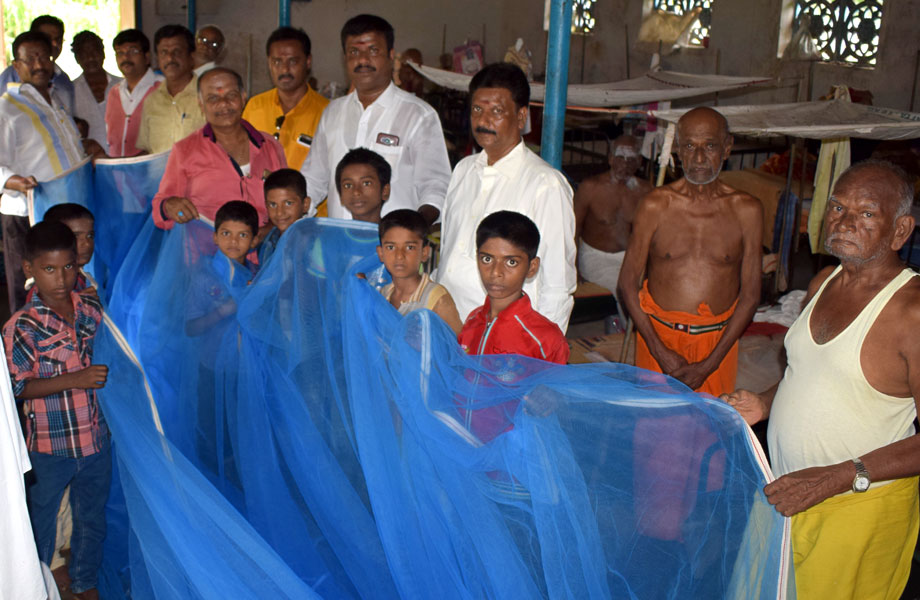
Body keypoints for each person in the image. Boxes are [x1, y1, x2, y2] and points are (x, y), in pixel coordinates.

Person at [725, 161, 920, 600]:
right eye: (837, 207)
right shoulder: (823, 282)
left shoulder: (912, 312)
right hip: (788, 489)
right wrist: (764, 403)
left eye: (866, 213)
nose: (844, 222)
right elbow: (808, 371)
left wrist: (838, 477)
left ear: (900, 230)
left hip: (857, 506)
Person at [617, 107, 762, 396]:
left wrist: (709, 365)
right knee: (653, 421)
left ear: (727, 148)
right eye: (690, 146)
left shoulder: (747, 210)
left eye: (710, 146)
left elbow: (750, 296)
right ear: (677, 149)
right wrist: (660, 351)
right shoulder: (655, 205)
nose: (698, 158)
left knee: (708, 422)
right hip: (658, 339)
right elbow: (627, 283)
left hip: (716, 345)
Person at [2, 221, 110, 600]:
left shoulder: (90, 309)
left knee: (91, 518)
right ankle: (39, 585)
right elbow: (18, 387)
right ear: (29, 268)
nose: (61, 279)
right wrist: (75, 379)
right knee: (40, 521)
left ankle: (84, 581)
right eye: (49, 269)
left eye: (68, 267)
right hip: (49, 448)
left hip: (95, 441)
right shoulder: (22, 327)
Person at [437, 62, 576, 334]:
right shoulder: (464, 170)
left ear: (521, 117)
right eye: (477, 109)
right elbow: (448, 251)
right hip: (448, 326)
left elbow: (558, 285)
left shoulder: (545, 184)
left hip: (504, 337)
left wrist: (538, 352)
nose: (483, 121)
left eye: (497, 111)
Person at [300, 14, 450, 224]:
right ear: (345, 58)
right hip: (340, 239)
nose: (362, 60)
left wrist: (413, 226)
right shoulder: (332, 113)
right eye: (354, 52)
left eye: (373, 51)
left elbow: (436, 186)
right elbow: (314, 179)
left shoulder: (418, 115)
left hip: (394, 242)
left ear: (391, 55)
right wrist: (293, 210)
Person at [457, 211, 569, 444]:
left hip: (512, 454)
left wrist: (551, 398)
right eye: (487, 259)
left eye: (511, 262)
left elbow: (556, 397)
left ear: (532, 267)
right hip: (463, 444)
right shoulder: (472, 321)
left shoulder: (544, 337)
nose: (496, 272)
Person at [0, 31, 87, 313]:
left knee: (62, 285)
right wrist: (12, 181)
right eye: (30, 59)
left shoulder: (55, 100)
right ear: (17, 65)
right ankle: (23, 338)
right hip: (26, 213)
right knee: (28, 287)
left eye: (44, 57)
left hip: (59, 211)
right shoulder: (6, 108)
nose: (39, 64)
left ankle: (64, 337)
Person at [152, 67, 286, 230]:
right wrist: (169, 206)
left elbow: (287, 201)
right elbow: (160, 209)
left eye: (231, 95)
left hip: (265, 245)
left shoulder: (270, 146)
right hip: (206, 245)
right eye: (213, 98)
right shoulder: (185, 151)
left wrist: (266, 231)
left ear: (243, 98)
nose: (223, 103)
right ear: (201, 104)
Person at [574, 134, 651, 309]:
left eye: (631, 159)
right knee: (627, 292)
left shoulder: (646, 191)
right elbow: (573, 229)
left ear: (639, 161)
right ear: (610, 159)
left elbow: (653, 233)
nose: (625, 164)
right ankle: (633, 327)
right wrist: (573, 268)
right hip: (596, 258)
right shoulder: (591, 188)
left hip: (631, 258)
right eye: (620, 157)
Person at [242, 27, 328, 172]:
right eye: (277, 62)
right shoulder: (255, 106)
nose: (284, 70)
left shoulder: (326, 112)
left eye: (293, 61)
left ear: (308, 62)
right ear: (269, 63)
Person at [377, 209, 463, 334]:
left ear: (424, 253)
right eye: (391, 247)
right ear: (381, 253)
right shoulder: (383, 295)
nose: (399, 256)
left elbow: (456, 343)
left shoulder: (436, 299)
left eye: (409, 247)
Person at [136, 24, 205, 154]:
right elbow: (147, 150)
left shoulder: (207, 97)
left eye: (177, 51)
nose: (170, 58)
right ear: (157, 59)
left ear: (192, 57)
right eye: (164, 52)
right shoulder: (151, 101)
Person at [105, 29, 163, 157]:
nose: (125, 57)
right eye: (120, 53)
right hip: (117, 168)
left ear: (147, 57)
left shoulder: (162, 88)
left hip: (153, 167)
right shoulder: (114, 92)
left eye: (133, 51)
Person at [0, 15, 75, 114]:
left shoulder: (64, 81)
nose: (54, 44)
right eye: (47, 38)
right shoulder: (10, 76)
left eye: (58, 39)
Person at [71, 31, 121, 156]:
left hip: (125, 158)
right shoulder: (70, 91)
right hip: (90, 160)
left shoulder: (122, 86)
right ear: (77, 58)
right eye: (84, 54)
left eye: (95, 52)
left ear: (103, 53)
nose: (91, 58)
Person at [42, 203, 97, 294]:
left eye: (90, 236)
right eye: (75, 236)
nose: (87, 244)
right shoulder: (47, 286)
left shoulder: (82, 278)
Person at [259, 168, 309, 265]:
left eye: (288, 203)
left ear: (305, 204)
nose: (279, 213)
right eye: (273, 205)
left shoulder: (314, 243)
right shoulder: (268, 242)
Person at [335, 147, 390, 224]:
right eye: (348, 185)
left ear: (385, 191)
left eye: (366, 183)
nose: (356, 192)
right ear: (341, 196)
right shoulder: (331, 231)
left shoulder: (399, 231)